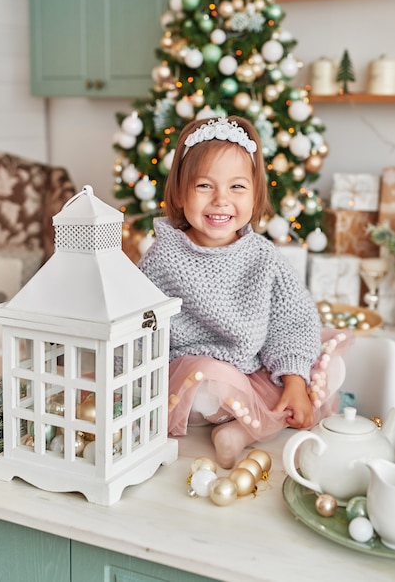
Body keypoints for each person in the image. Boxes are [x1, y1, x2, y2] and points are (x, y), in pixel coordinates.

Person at [138, 115, 350, 469]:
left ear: (255, 195)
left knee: (332, 365)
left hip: (254, 372)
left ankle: (240, 432)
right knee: (208, 379)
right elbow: (137, 322)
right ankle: (245, 422)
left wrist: (294, 380)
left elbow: (292, 320)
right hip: (197, 386)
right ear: (179, 192)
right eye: (205, 186)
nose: (221, 200)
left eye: (237, 187)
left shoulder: (262, 256)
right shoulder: (164, 256)